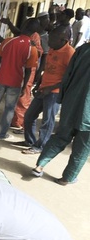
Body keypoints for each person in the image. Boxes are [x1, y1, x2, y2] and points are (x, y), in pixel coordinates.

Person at [32, 42, 90, 185]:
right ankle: (67, 178)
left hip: (72, 102)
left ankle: (40, 165)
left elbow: (67, 76)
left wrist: (62, 98)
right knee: (82, 147)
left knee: (60, 137)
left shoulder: (83, 50)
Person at [20, 26, 75, 154]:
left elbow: (69, 78)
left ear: (63, 40)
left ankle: (40, 146)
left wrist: (50, 88)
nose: (49, 40)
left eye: (52, 38)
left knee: (47, 121)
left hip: (54, 93)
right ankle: (30, 141)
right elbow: (47, 69)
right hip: (43, 88)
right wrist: (39, 84)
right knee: (29, 116)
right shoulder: (52, 48)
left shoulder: (69, 53)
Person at [0, 19, 41, 139]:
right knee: (9, 109)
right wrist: (25, 86)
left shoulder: (9, 41)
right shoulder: (32, 49)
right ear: (34, 32)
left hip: (1, 78)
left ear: (23, 27)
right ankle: (1, 134)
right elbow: (29, 70)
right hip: (16, 82)